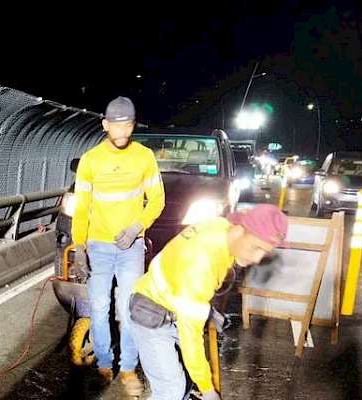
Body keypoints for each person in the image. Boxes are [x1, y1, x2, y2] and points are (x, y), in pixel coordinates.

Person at [129, 204, 287, 400]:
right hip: (152, 314)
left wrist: (206, 311)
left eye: (264, 252)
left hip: (171, 299)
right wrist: (208, 390)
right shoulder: (201, 265)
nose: (257, 258)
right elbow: (191, 341)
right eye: (256, 247)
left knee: (185, 379)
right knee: (171, 390)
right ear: (239, 230)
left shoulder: (220, 226)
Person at [70, 96, 165, 396]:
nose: (122, 132)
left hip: (131, 248)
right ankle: (103, 365)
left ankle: (127, 369)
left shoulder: (145, 157)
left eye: (128, 125)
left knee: (128, 310)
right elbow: (82, 207)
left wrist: (137, 227)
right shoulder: (91, 160)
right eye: (117, 125)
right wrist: (79, 248)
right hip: (98, 247)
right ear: (105, 125)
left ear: (133, 125)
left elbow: (158, 201)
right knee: (99, 309)